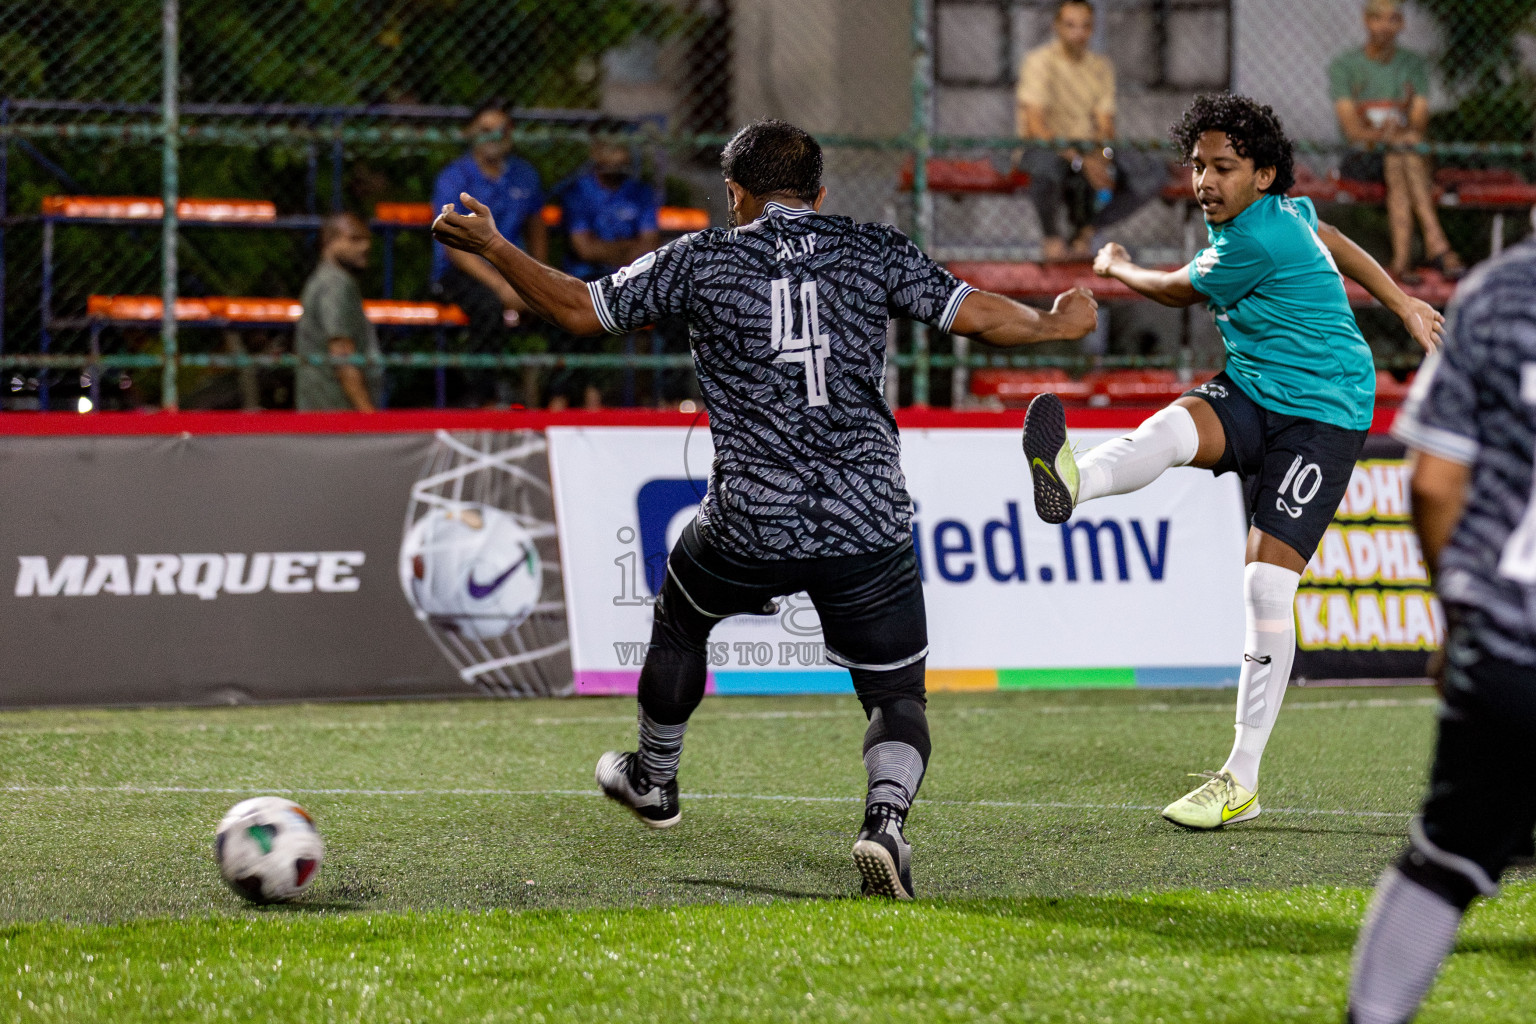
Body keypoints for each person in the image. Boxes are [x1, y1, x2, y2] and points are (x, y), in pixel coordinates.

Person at [432, 118, 1099, 898]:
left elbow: (580, 309)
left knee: (682, 618)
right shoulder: (868, 246)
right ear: (818, 194)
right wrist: (1057, 323)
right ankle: (884, 822)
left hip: (750, 518)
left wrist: (496, 248)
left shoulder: (704, 257)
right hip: (866, 517)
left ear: (735, 194)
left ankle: (655, 777)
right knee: (894, 696)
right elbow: (977, 314)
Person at [1021, 93, 1443, 830]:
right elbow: (1334, 234)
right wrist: (1402, 301)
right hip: (1254, 384)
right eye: (1196, 165)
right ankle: (1073, 477)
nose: (1205, 181)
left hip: (1323, 412)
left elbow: (1178, 291)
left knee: (1264, 586)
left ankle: (1240, 780)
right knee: (1172, 430)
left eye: (1224, 167)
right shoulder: (1287, 216)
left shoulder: (1252, 241)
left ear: (1263, 174)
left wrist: (1119, 265)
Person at [1344, 242, 1536, 1024]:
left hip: (1511, 639)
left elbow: (1431, 479)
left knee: (1445, 860)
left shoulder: (1501, 293)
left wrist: (1459, 622)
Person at [1015, 0, 1165, 261]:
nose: (1078, 33)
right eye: (1070, 25)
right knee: (1045, 166)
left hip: (1089, 149)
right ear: (1057, 27)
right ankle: (1052, 239)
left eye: (1085, 26)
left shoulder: (1100, 66)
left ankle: (1087, 231)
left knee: (1151, 172)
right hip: (1049, 148)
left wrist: (1103, 156)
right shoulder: (1038, 62)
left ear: (1092, 29)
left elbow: (1106, 124)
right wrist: (1080, 160)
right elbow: (1036, 126)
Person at [1330, 0, 1464, 282]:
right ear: (1366, 21)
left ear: (1401, 23)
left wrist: (1394, 134)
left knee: (1400, 155)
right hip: (1362, 158)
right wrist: (1388, 134)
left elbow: (1419, 121)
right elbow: (1353, 131)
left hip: (1401, 155)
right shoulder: (1345, 66)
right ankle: (1436, 244)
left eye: (1392, 19)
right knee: (1403, 150)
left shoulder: (1413, 65)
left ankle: (1402, 262)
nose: (1385, 26)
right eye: (1378, 19)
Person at [430, 100, 546, 405]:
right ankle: (483, 399)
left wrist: (539, 276)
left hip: (512, 267)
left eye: (501, 130)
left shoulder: (525, 175)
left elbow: (536, 228)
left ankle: (561, 397)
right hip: (463, 270)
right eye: (485, 130)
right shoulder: (454, 178)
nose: (494, 137)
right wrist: (501, 287)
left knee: (563, 303)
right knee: (488, 307)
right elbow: (452, 245)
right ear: (470, 132)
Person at [551, 139, 662, 409]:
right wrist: (628, 249)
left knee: (673, 307)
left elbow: (649, 247)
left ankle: (662, 399)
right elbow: (584, 249)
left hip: (633, 278)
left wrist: (606, 249)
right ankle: (574, 396)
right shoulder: (577, 193)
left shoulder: (641, 193)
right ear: (595, 152)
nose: (617, 156)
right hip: (584, 279)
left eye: (622, 147)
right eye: (610, 147)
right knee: (585, 308)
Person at [294, 212, 383, 412]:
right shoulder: (334, 284)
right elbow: (342, 354)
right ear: (330, 241)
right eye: (354, 239)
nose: (365, 246)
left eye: (367, 240)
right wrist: (368, 415)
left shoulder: (329, 280)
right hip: (335, 415)